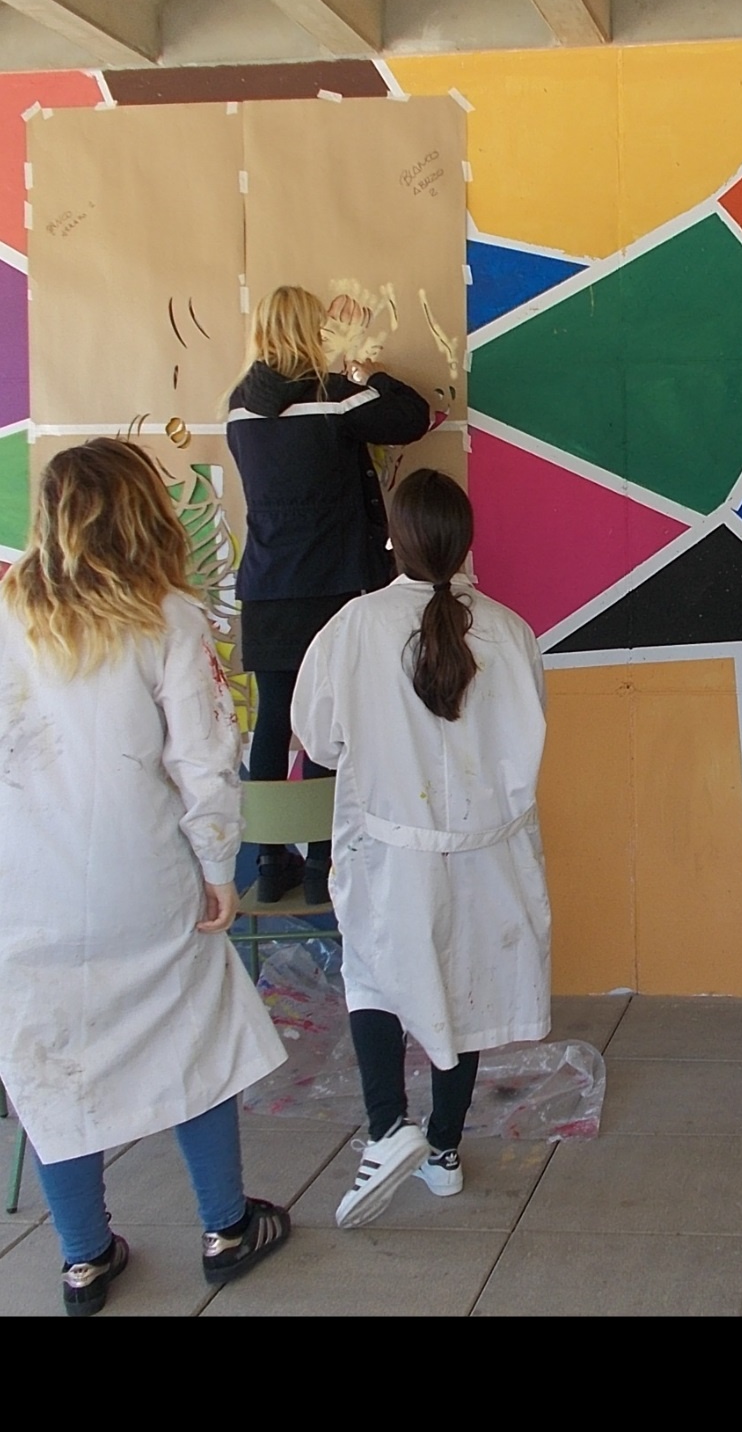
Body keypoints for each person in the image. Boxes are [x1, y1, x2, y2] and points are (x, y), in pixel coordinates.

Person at [0, 440, 292, 1317]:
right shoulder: (169, 615)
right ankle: (225, 1227)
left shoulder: (8, 613)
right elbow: (207, 761)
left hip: (26, 889)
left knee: (49, 1063)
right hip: (145, 880)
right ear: (143, 513)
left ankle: (85, 1261)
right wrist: (217, 868)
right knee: (193, 1045)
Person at [290, 469, 551, 1228]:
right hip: (488, 852)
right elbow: (529, 736)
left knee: (375, 981)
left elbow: (318, 738)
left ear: (393, 540)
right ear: (467, 541)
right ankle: (442, 1150)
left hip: (388, 848)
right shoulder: (509, 629)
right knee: (462, 994)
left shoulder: (354, 626)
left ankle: (385, 1131)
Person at [227, 285, 432, 906]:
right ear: (309, 331)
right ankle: (320, 864)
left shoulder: (238, 406)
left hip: (266, 587)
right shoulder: (333, 399)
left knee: (272, 721)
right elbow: (411, 417)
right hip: (334, 589)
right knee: (328, 725)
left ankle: (267, 861)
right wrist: (370, 374)